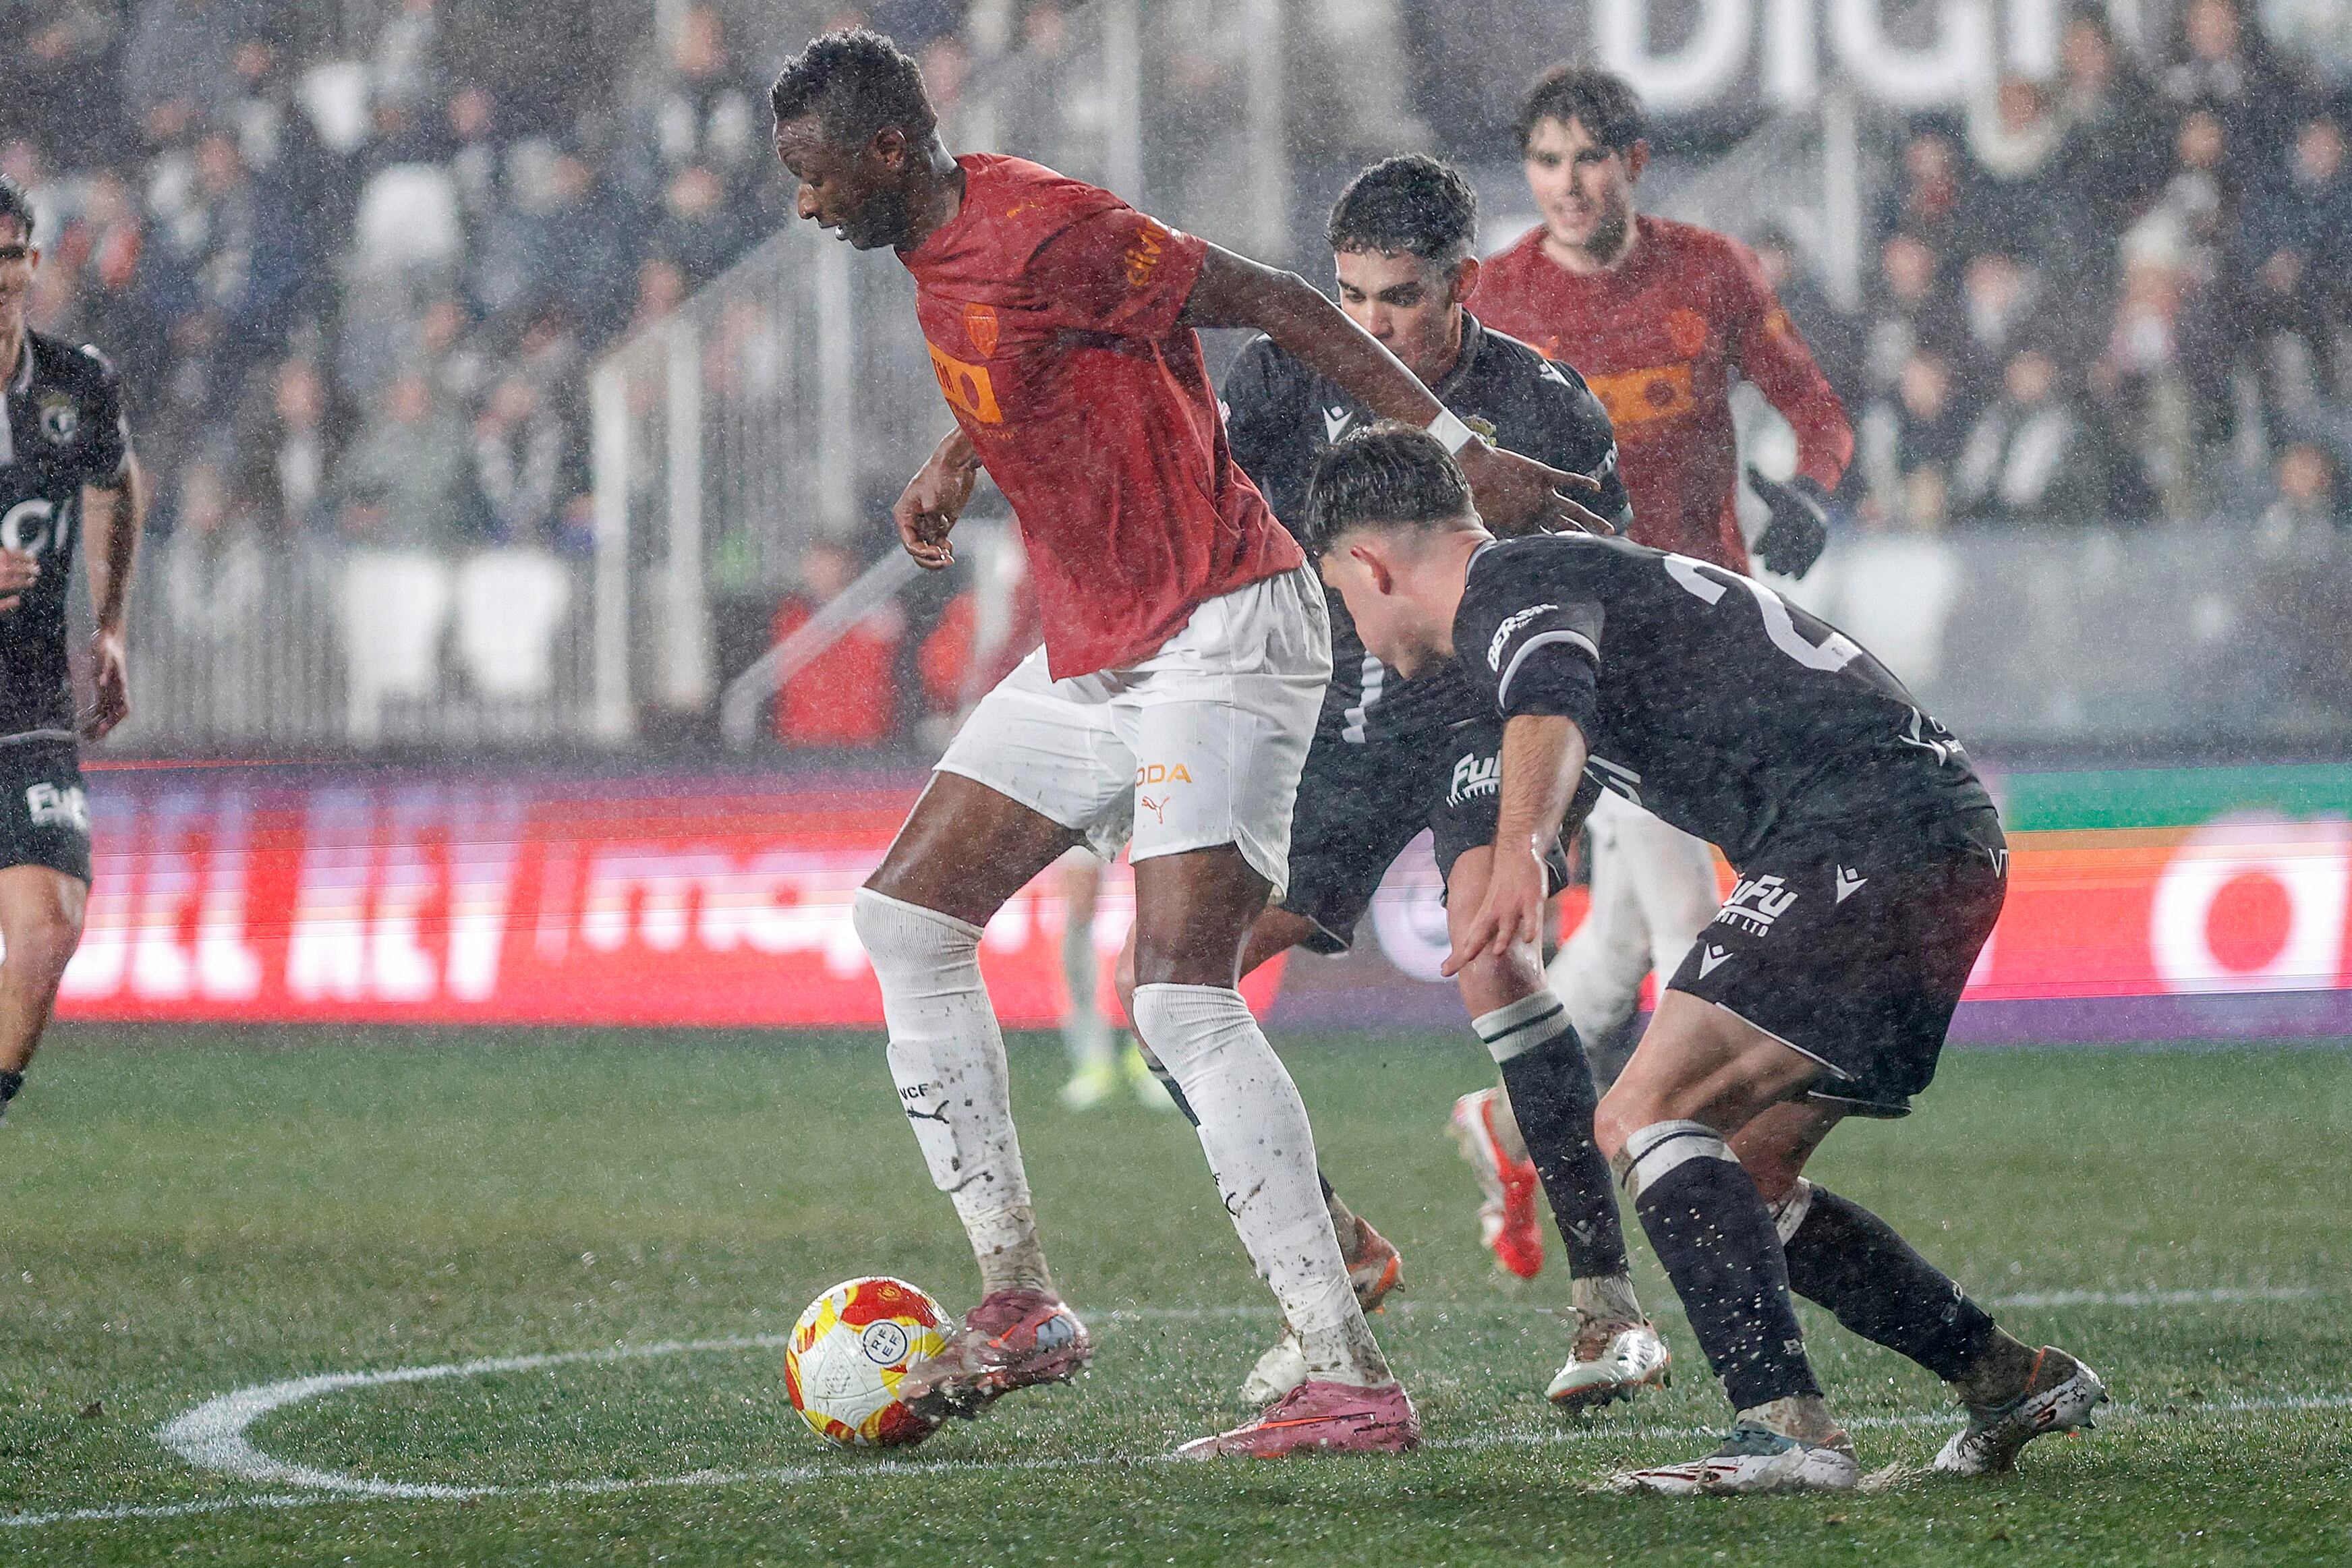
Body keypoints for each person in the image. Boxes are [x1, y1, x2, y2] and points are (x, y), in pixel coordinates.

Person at [768, 29, 1599, 1461]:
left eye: (810, 173)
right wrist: (954, 461)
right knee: (903, 916)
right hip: (1104, 646)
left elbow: (1272, 300)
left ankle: (1347, 1372)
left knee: (1179, 996)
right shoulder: (942, 249)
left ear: (886, 151)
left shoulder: (1046, 227)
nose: (802, 203)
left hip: (1226, 619)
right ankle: (1021, 1295)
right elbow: (1020, 366)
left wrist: (1461, 455)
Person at [1308, 423, 2107, 1494]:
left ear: (1369, 563)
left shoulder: (1510, 580)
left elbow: (1549, 690)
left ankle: (1787, 1433)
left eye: (1344, 597)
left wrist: (1524, 847)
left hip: (1871, 833)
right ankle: (2008, 1378)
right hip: (1927, 837)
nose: (1357, 627)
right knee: (1752, 1173)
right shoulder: (1561, 572)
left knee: (1643, 1113)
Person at [1118, 152, 1667, 1412]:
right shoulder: (1285, 373)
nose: (1370, 326)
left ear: (1465, 284)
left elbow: (1604, 592)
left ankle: (1608, 1311)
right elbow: (1215, 518)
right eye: (1353, 297)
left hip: (1487, 704)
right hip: (1337, 714)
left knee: (1494, 956)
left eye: (1402, 299)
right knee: (1171, 989)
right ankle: (1341, 1250)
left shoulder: (1544, 406)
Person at [1472, 63, 1855, 1156]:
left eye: (1589, 157)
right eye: (1547, 160)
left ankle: (1508, 1122)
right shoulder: (1496, 300)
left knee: (1630, 925)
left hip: (1713, 617)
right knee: (1689, 903)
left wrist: (1812, 495)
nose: (1568, 183)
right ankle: (1710, 1161)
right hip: (1587, 641)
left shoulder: (1711, 272)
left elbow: (1816, 412)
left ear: (1634, 163)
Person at [0, 175, 145, 1127]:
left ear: (35, 264)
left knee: (52, 921)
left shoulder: (74, 382)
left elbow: (116, 483)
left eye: (11, 257)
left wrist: (110, 620)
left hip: (25, 685)